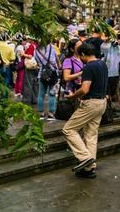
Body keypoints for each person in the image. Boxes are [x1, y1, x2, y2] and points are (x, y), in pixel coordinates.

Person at [63, 42, 109, 179]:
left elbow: (84, 89)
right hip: (102, 102)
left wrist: (73, 96)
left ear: (83, 54)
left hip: (91, 103)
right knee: (91, 135)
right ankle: (89, 168)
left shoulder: (89, 67)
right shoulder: (102, 64)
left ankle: (85, 157)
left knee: (68, 129)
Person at [34, 39, 59, 121]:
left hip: (41, 74)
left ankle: (41, 113)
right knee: (52, 93)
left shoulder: (36, 50)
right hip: (52, 74)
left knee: (41, 94)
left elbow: (37, 62)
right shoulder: (52, 48)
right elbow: (55, 59)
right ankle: (51, 114)